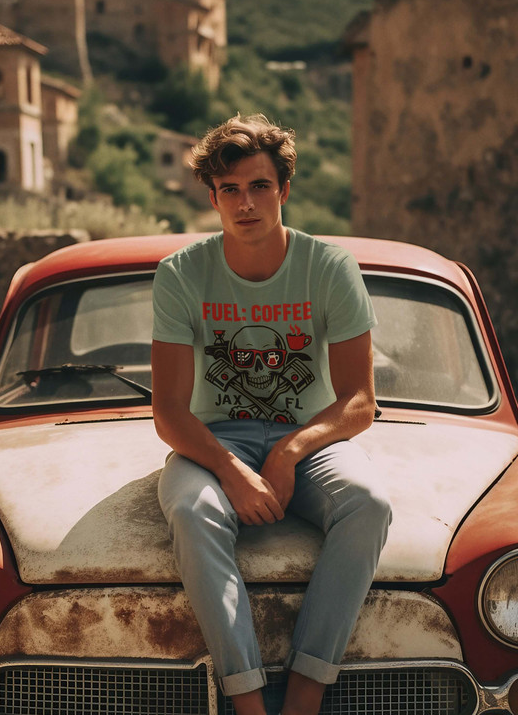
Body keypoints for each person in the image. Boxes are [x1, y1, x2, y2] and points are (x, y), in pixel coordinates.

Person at [151, 114, 392, 715]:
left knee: (368, 504)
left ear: (284, 189)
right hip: (212, 440)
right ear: (212, 198)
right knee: (192, 510)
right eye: (229, 189)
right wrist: (231, 470)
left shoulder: (328, 267)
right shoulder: (181, 273)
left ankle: (306, 696)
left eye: (259, 186)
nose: (246, 203)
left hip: (311, 439)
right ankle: (249, 702)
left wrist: (289, 451)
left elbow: (360, 400)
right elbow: (170, 412)